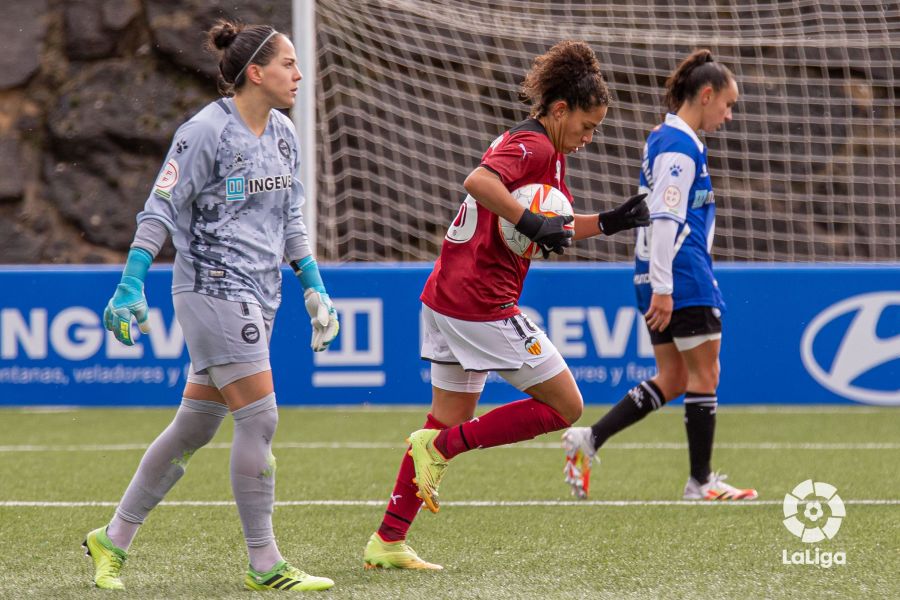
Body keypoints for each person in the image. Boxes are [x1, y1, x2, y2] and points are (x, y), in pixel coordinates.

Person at [362, 40, 650, 571]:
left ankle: (388, 538)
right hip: (479, 302)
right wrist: (527, 221)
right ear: (559, 109)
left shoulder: (548, 153)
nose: (590, 138)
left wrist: (611, 221)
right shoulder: (534, 147)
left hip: (448, 294)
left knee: (446, 418)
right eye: (587, 126)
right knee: (567, 407)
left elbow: (550, 226)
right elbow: (479, 181)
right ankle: (441, 449)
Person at [81, 20, 340, 592]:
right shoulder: (204, 132)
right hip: (212, 290)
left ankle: (112, 538)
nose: (298, 74)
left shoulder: (282, 132)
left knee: (193, 428)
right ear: (256, 73)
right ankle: (264, 562)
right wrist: (130, 283)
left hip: (260, 293)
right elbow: (160, 209)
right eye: (289, 64)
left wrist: (313, 285)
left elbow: (290, 216)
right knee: (261, 417)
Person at [562, 49, 758, 502]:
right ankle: (701, 482)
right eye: (726, 105)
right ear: (705, 95)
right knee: (705, 375)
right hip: (681, 273)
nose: (728, 116)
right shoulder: (680, 146)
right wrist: (665, 288)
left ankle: (589, 440)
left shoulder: (663, 138)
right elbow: (667, 217)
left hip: (654, 271)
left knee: (673, 377)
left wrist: (655, 281)